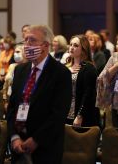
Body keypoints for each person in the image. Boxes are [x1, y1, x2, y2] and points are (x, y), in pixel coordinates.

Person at [7, 25, 72, 164]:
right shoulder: (20, 70)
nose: (27, 45)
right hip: (18, 145)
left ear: (46, 45)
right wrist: (14, 137)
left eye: (32, 40)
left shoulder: (61, 73)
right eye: (25, 40)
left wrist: (36, 140)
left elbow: (58, 114)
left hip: (45, 148)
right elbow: (12, 107)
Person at [65, 35, 100, 127]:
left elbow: (88, 94)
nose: (71, 47)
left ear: (83, 49)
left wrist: (80, 115)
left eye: (76, 45)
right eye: (71, 44)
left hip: (82, 114)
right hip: (66, 112)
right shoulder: (66, 67)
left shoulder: (89, 68)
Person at [2, 45, 26, 119]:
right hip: (10, 99)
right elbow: (6, 85)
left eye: (18, 52)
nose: (15, 54)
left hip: (22, 102)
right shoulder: (12, 66)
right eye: (15, 52)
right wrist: (5, 100)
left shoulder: (28, 67)